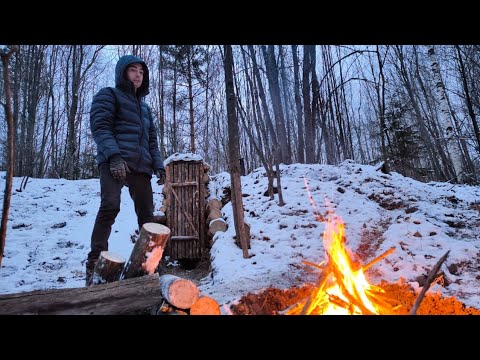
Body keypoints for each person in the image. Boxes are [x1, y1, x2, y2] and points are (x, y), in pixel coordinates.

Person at [86, 54, 166, 286]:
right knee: (110, 206)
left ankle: (148, 266)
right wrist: (113, 156)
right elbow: (100, 127)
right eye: (133, 70)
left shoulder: (145, 109)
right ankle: (95, 263)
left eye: (141, 72)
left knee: (147, 217)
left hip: (141, 166)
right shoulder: (108, 95)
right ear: (122, 72)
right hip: (115, 160)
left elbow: (152, 142)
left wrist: (158, 166)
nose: (138, 75)